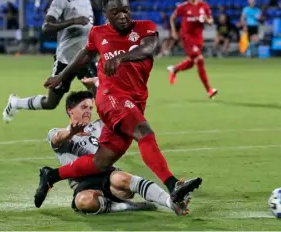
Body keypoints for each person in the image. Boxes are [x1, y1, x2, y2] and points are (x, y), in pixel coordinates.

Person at [33, 0, 202, 209]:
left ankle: (51, 176)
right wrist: (61, 76)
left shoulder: (145, 27)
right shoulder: (98, 33)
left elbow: (148, 49)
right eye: (116, 12)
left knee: (102, 161)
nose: (123, 15)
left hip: (134, 99)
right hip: (110, 96)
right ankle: (173, 185)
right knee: (144, 133)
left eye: (126, 10)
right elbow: (85, 55)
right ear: (106, 13)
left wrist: (122, 57)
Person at [47, 89, 190, 215]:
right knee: (84, 201)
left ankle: (171, 203)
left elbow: (110, 105)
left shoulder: (99, 125)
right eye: (83, 107)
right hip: (83, 185)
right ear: (70, 110)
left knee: (121, 179)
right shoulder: (57, 132)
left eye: (90, 108)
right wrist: (72, 132)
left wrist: (97, 85)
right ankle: (125, 206)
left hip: (109, 177)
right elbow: (57, 139)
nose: (88, 111)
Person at [2, 0, 95, 122]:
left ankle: (103, 133)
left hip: (84, 58)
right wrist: (73, 21)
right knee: (50, 103)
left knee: (101, 92)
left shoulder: (86, 1)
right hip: (66, 59)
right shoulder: (61, 0)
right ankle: (15, 103)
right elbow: (46, 26)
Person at [167, 0, 217, 99]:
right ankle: (209, 90)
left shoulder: (204, 6)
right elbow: (172, 17)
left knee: (191, 63)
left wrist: (207, 20)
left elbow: (211, 21)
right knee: (199, 59)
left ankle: (174, 69)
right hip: (187, 37)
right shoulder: (183, 7)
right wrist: (174, 32)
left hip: (198, 38)